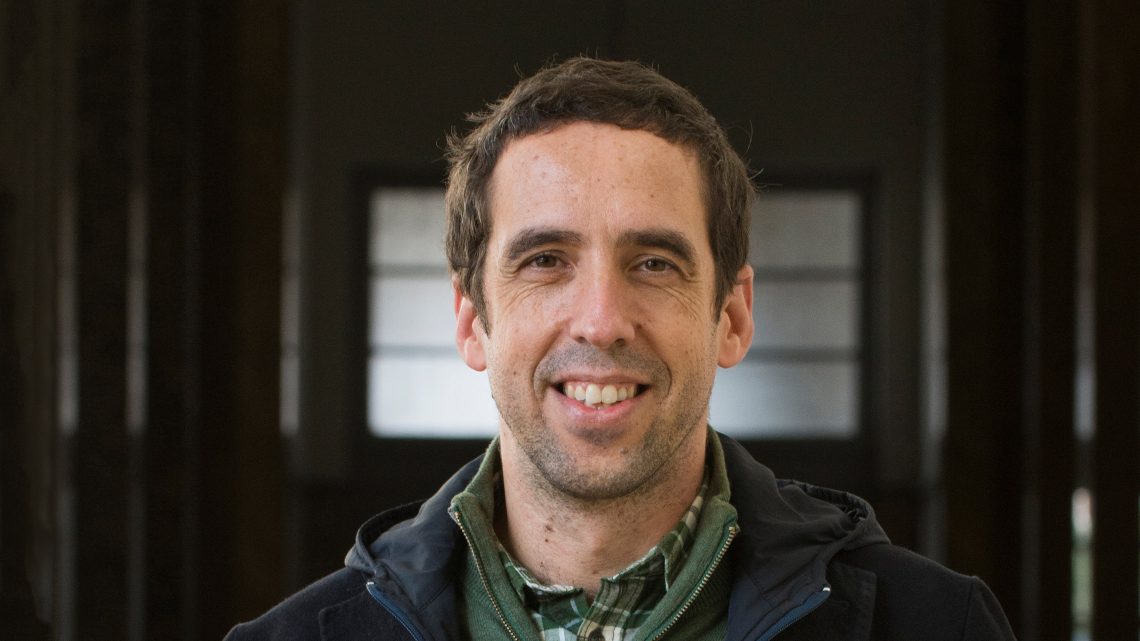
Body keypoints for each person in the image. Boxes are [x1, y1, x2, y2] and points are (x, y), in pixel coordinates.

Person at [225, 57, 1015, 641]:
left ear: (733, 316)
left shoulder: (939, 627)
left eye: (655, 263)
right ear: (470, 321)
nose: (601, 321)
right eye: (546, 260)